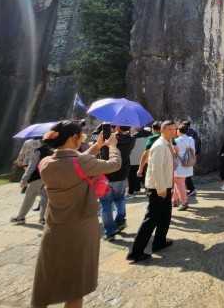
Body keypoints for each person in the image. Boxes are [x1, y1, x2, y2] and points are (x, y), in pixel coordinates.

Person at [31, 120, 121, 308]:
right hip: (80, 228)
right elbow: (114, 164)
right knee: (75, 286)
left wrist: (96, 147)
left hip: (54, 228)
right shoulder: (81, 162)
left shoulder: (46, 163)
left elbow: (74, 163)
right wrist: (112, 146)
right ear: (74, 138)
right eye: (82, 136)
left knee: (47, 278)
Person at [127, 120, 176, 263]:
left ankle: (159, 242)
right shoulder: (160, 146)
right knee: (151, 220)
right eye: (172, 129)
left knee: (165, 215)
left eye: (175, 129)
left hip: (164, 185)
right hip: (157, 188)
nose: (175, 132)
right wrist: (161, 189)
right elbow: (156, 170)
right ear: (164, 130)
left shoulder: (167, 144)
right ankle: (136, 252)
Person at [98, 125, 134, 241]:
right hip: (122, 175)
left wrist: (105, 127)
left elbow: (103, 155)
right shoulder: (131, 139)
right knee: (120, 199)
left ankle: (110, 231)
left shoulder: (108, 140)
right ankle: (120, 221)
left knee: (106, 204)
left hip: (107, 176)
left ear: (117, 127)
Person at [10, 141, 52, 225]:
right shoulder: (52, 151)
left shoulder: (38, 151)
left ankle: (21, 217)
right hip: (48, 177)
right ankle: (42, 218)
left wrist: (24, 179)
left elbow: (32, 166)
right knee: (45, 198)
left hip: (37, 177)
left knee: (29, 197)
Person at [172, 122, 195, 211]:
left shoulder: (176, 141)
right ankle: (174, 200)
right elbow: (192, 150)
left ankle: (184, 202)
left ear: (178, 131)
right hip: (188, 164)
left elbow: (174, 153)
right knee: (179, 182)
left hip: (179, 165)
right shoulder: (191, 139)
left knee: (179, 183)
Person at [128, 128, 149, 196]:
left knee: (133, 175)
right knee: (145, 175)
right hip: (146, 159)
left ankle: (134, 190)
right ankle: (147, 189)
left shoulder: (133, 137)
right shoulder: (150, 135)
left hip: (133, 160)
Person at [185, 122, 201, 196]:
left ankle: (191, 189)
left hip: (186, 156)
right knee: (187, 173)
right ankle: (190, 189)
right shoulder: (195, 133)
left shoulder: (186, 134)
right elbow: (199, 143)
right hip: (193, 155)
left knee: (186, 174)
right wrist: (197, 154)